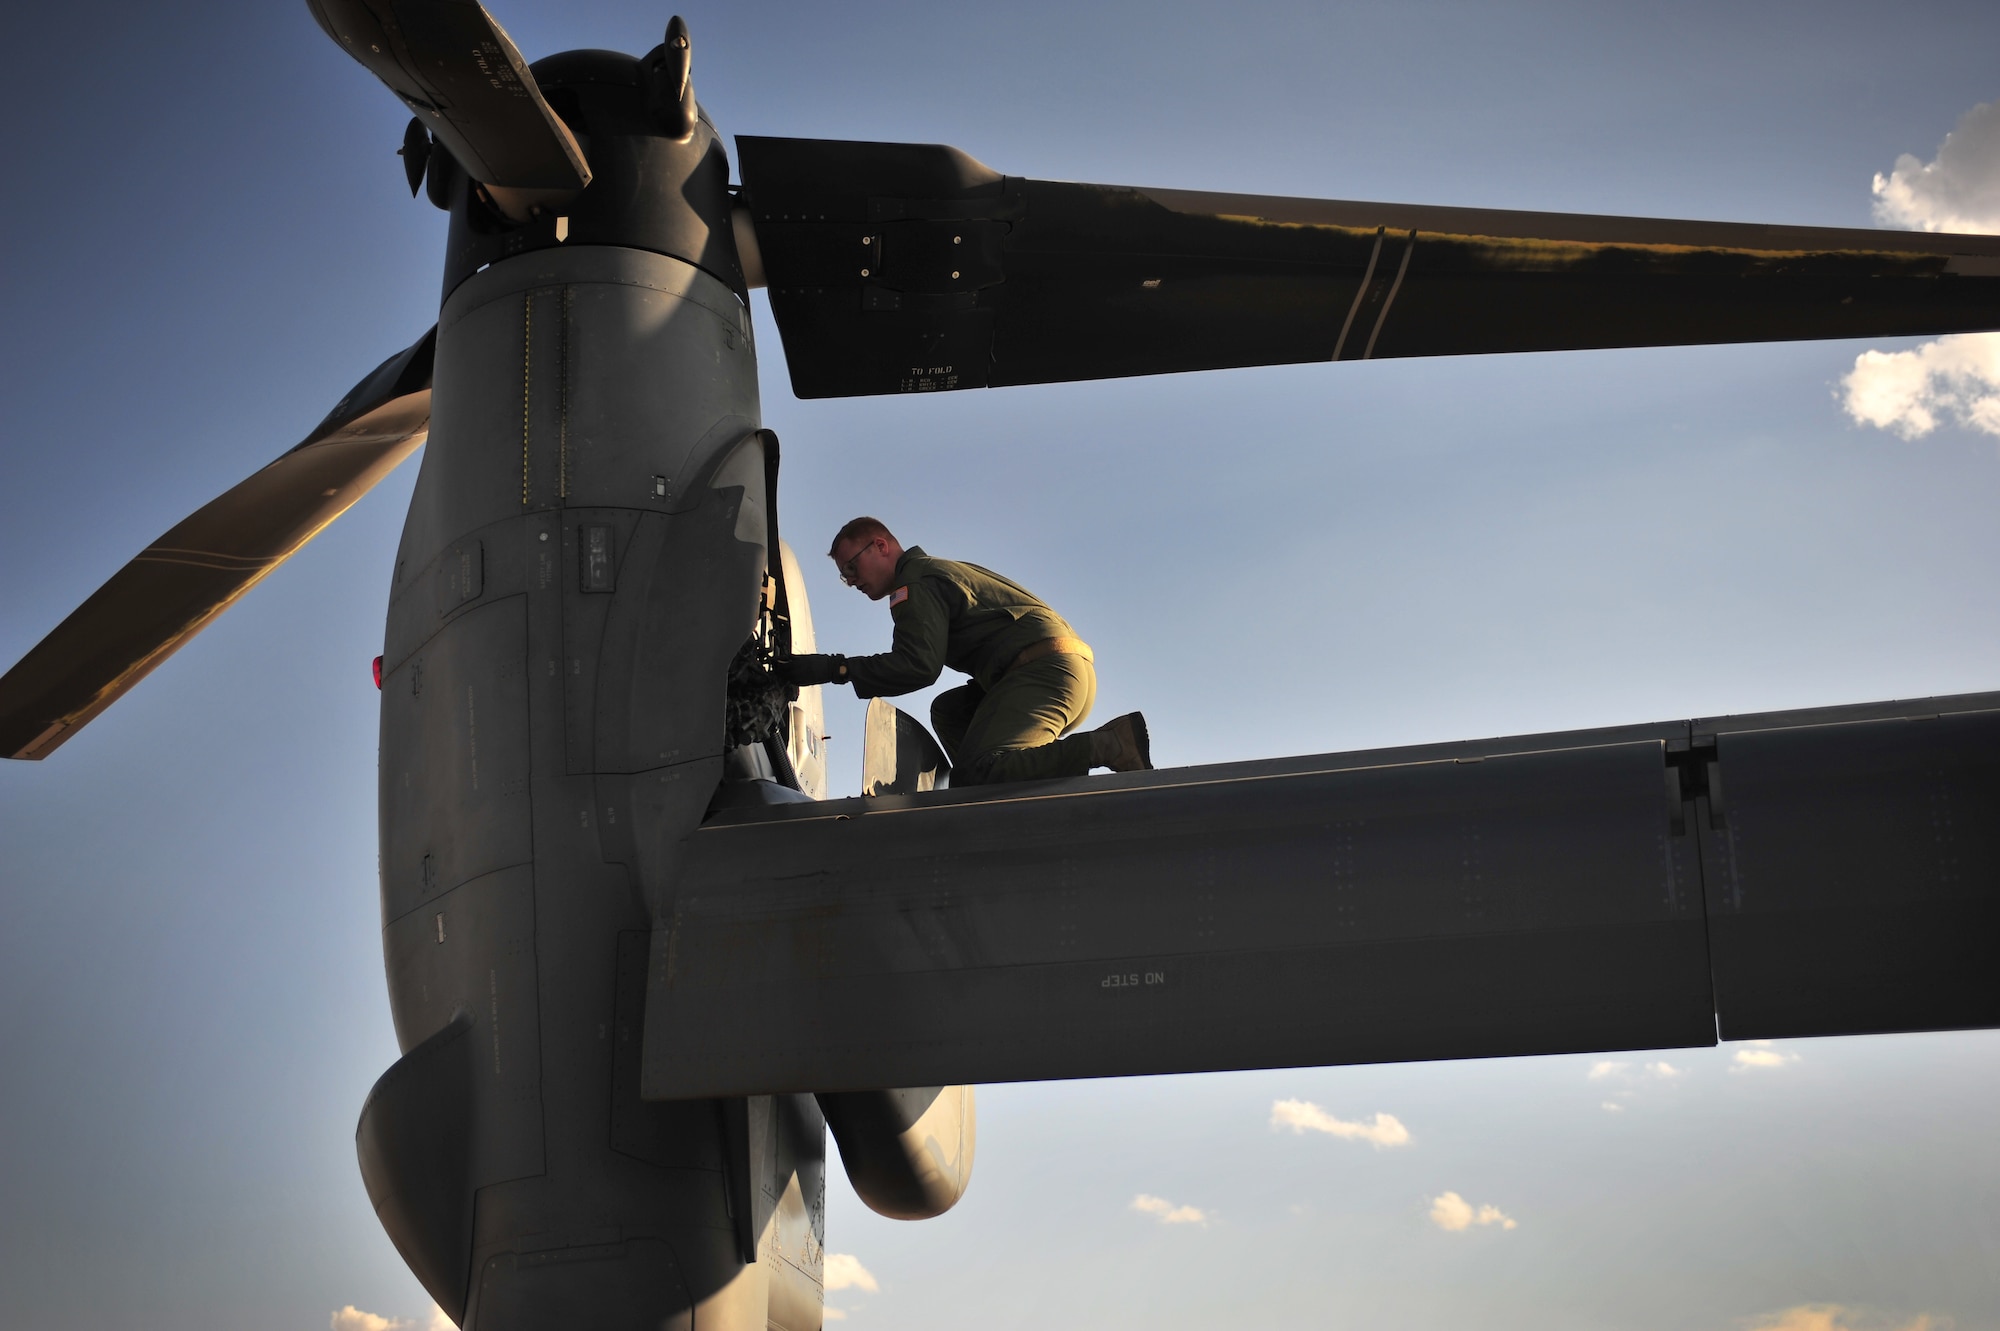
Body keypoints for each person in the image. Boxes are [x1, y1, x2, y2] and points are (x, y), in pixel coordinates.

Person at [775, 517, 1151, 785]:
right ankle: (994, 789)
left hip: (1042, 675)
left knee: (977, 771)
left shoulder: (914, 584)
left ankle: (1110, 744)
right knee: (950, 712)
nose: (852, 580)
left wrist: (835, 670)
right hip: (1061, 672)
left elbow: (918, 666)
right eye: (845, 576)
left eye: (853, 567)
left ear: (881, 545)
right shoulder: (932, 571)